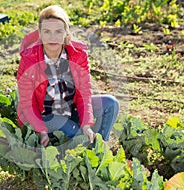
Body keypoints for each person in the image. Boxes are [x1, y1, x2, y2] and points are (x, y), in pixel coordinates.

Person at [17, 5, 119, 147]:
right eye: (47, 31)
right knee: (76, 136)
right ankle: (84, 147)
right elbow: (27, 103)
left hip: (70, 110)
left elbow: (84, 93)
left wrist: (86, 125)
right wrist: (41, 131)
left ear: (66, 33)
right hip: (45, 117)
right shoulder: (29, 59)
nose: (53, 37)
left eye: (58, 31)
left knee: (110, 103)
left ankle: (99, 146)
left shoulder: (78, 55)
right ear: (39, 33)